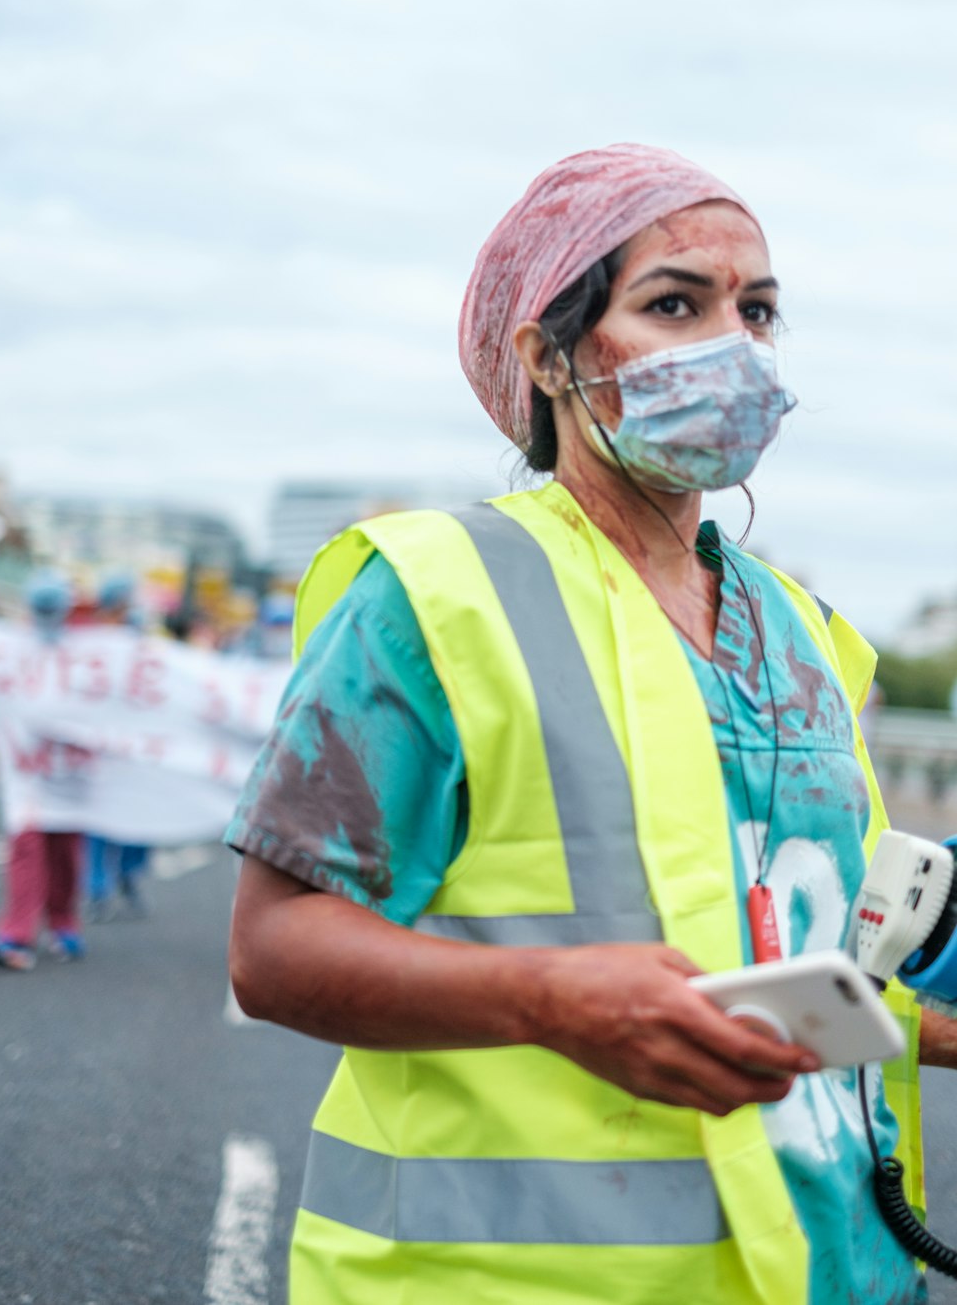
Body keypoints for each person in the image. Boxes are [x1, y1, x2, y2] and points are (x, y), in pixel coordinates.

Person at [227, 144, 955, 1304]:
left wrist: (929, 1013)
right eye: (675, 304)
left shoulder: (808, 634)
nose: (736, 344)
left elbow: (799, 956)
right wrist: (555, 1001)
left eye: (757, 310)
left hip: (834, 1270)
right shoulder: (434, 593)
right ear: (548, 358)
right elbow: (273, 954)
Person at [0, 570, 86, 970]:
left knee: (60, 849)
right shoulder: (10, 647)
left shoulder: (87, 654)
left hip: (67, 767)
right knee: (29, 845)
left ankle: (61, 924)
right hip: (28, 767)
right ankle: (19, 931)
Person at [85, 572, 151, 921]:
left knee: (137, 814)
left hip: (136, 743)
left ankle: (128, 873)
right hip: (101, 741)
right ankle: (98, 885)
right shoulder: (88, 640)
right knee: (99, 814)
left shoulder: (140, 634)